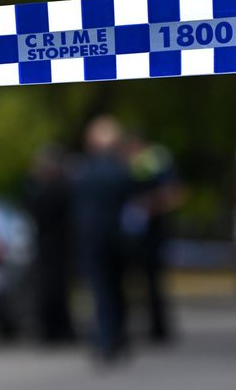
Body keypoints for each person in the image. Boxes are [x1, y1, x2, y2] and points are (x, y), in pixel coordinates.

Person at [71, 116, 135, 362]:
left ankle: (106, 338)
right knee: (117, 289)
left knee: (101, 291)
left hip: (92, 240)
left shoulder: (83, 172)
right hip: (118, 238)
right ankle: (117, 337)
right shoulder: (122, 170)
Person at [120, 133, 182, 344]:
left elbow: (172, 193)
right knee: (138, 282)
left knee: (152, 281)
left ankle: (158, 326)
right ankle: (151, 326)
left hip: (151, 231)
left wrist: (145, 205)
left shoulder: (154, 161)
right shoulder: (131, 163)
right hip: (137, 232)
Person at [24, 145, 75, 344]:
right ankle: (55, 328)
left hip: (52, 245)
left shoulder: (47, 189)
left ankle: (54, 329)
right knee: (52, 289)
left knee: (54, 289)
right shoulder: (55, 188)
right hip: (53, 246)